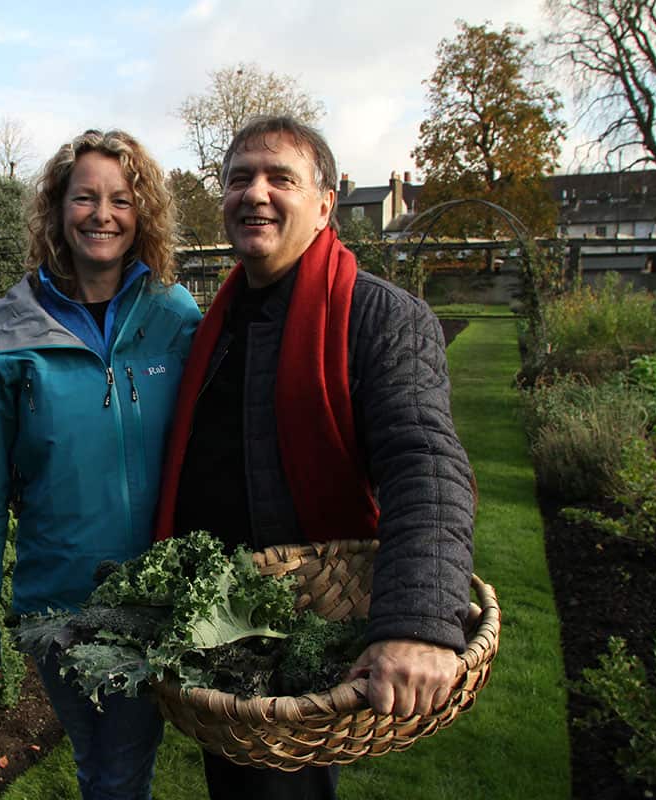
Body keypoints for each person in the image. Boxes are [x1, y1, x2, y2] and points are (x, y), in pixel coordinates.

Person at [152, 115, 476, 799]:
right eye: (240, 178)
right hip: (220, 627)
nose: (255, 193)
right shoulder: (222, 319)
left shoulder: (379, 315)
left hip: (300, 623)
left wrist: (418, 625)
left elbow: (425, 464)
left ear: (326, 205)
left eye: (280, 178)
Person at [0, 129, 202, 800]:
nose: (103, 214)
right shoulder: (10, 333)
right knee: (114, 766)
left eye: (121, 198)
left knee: (113, 766)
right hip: (60, 606)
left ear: (141, 213)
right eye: (84, 197)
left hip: (157, 597)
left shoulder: (173, 317)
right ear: (57, 210)